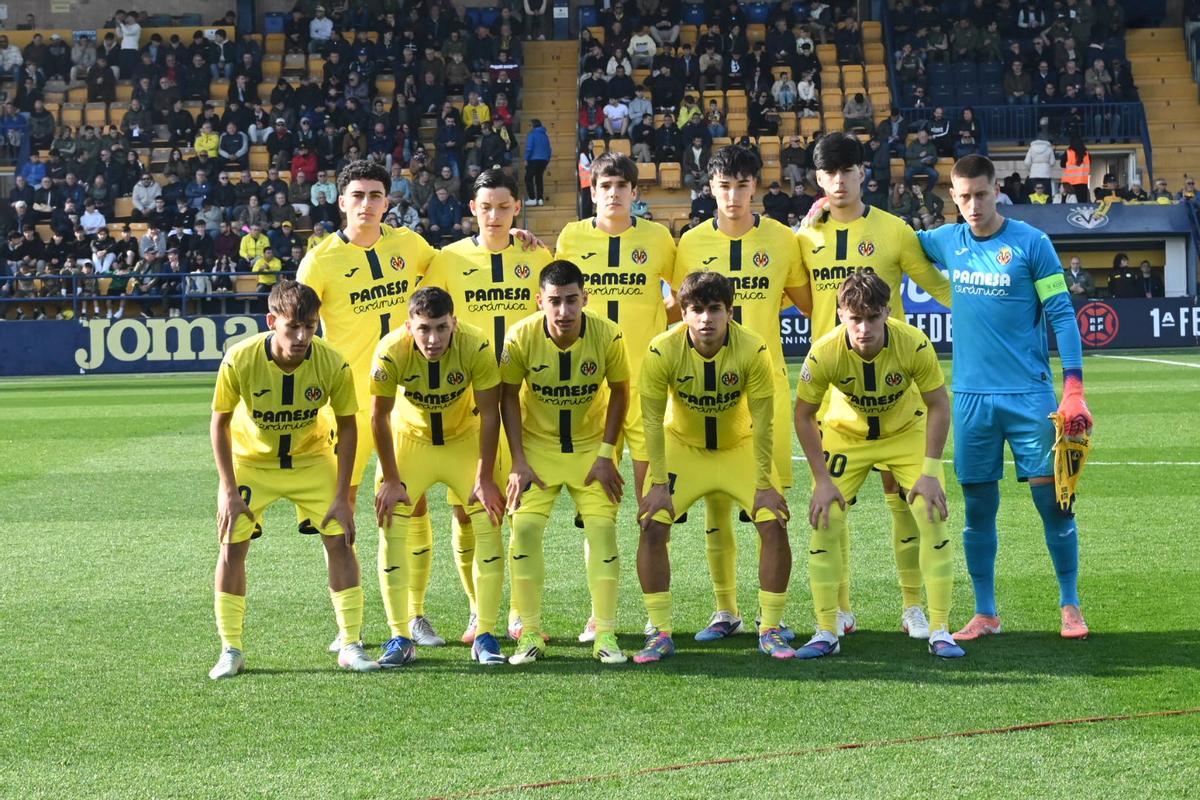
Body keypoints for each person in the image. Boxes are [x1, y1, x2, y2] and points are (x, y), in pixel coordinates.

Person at [915, 155, 1092, 641]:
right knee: (976, 510)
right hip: (971, 401)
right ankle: (986, 612)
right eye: (964, 196)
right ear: (953, 196)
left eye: (981, 194)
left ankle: (1070, 604)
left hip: (1028, 397)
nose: (973, 205)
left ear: (997, 192)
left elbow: (1061, 315)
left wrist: (1073, 389)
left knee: (1053, 505)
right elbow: (889, 240)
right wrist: (824, 209)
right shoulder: (945, 241)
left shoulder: (1032, 244)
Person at [794, 132, 954, 638]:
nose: (839, 182)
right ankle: (839, 609)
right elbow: (785, 290)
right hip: (833, 394)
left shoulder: (894, 230)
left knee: (903, 500)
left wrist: (1001, 316)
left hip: (895, 389)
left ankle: (912, 608)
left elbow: (940, 286)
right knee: (832, 507)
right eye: (829, 174)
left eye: (847, 171)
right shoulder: (805, 238)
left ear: (863, 172)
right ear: (817, 180)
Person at [296, 159, 440, 647]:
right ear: (340, 202)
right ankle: (348, 624)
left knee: (412, 502)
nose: (366, 204)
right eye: (357, 195)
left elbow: (453, 269)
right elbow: (295, 324)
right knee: (342, 507)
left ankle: (415, 615)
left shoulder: (409, 245)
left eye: (375, 195)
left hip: (406, 401)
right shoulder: (318, 261)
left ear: (387, 201)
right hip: (348, 405)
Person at [207, 280, 377, 679]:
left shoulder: (332, 362)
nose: (302, 337)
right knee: (232, 546)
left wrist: (342, 494)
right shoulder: (240, 359)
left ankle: (350, 643)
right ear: (272, 321)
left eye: (311, 326)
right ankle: (231, 649)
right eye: (292, 327)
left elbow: (349, 427)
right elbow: (219, 423)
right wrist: (229, 491)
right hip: (252, 462)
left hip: (311, 459)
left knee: (340, 539)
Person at [674, 145, 807, 641]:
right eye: (724, 186)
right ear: (711, 188)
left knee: (768, 508)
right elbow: (672, 306)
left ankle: (772, 618)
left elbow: (812, 302)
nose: (732, 195)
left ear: (756, 187)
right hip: (703, 393)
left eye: (742, 185)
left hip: (764, 389)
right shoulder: (687, 243)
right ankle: (724, 610)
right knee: (715, 503)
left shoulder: (783, 240)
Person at [793, 272, 962, 659]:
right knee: (826, 517)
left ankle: (938, 628)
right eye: (855, 318)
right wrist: (820, 479)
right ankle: (826, 630)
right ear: (840, 315)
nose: (864, 328)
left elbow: (938, 404)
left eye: (872, 317)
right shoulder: (824, 352)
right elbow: (803, 415)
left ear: (887, 312)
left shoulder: (913, 344)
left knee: (930, 514)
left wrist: (932, 471)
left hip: (905, 432)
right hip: (845, 435)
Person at [416, 169, 552, 644]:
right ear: (472, 209)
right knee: (466, 508)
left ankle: (517, 612)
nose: (495, 215)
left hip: (523, 399)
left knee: (520, 508)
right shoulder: (447, 260)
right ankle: (478, 610)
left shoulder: (536, 255)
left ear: (518, 208)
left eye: (504, 206)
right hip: (465, 402)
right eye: (486, 206)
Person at [634, 271, 794, 663]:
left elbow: (764, 420)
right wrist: (656, 481)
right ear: (683, 314)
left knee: (773, 519)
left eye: (715, 310)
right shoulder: (661, 350)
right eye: (697, 310)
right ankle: (660, 631)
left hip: (738, 446)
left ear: (730, 312)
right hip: (683, 447)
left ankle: (770, 628)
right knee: (652, 522)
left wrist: (763, 483)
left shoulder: (753, 349)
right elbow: (651, 422)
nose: (706, 319)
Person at [555, 153, 679, 642]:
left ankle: (655, 615)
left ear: (634, 191)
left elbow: (680, 296)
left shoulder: (657, 238)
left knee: (653, 507)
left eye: (621, 185)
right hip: (590, 394)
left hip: (646, 390)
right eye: (605, 184)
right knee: (596, 515)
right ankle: (598, 612)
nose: (612, 193)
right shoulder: (571, 238)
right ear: (593, 190)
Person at [500, 260, 630, 666]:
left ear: (585, 299)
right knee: (523, 531)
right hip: (536, 451)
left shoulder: (607, 334)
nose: (563, 311)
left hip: (592, 450)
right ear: (539, 301)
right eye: (554, 301)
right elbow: (506, 396)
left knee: (603, 531)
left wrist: (608, 455)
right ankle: (531, 632)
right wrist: (518, 460)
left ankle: (605, 631)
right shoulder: (520, 337)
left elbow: (621, 392)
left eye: (572, 300)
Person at [369, 287, 508, 667]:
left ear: (454, 323)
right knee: (392, 521)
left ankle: (486, 634)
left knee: (488, 518)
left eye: (442, 328)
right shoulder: (391, 349)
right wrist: (393, 479)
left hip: (464, 438)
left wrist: (484, 476)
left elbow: (491, 412)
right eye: (424, 329)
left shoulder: (476, 346)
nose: (433, 339)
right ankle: (400, 635)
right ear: (408, 325)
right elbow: (378, 416)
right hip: (410, 440)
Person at [523, 118, 551, 206]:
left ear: (533, 126)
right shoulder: (545, 135)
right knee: (539, 179)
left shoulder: (532, 135)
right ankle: (540, 199)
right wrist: (547, 160)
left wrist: (526, 159)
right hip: (544, 160)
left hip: (533, 159)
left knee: (528, 178)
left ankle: (532, 198)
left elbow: (529, 148)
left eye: (530, 125)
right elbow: (549, 150)